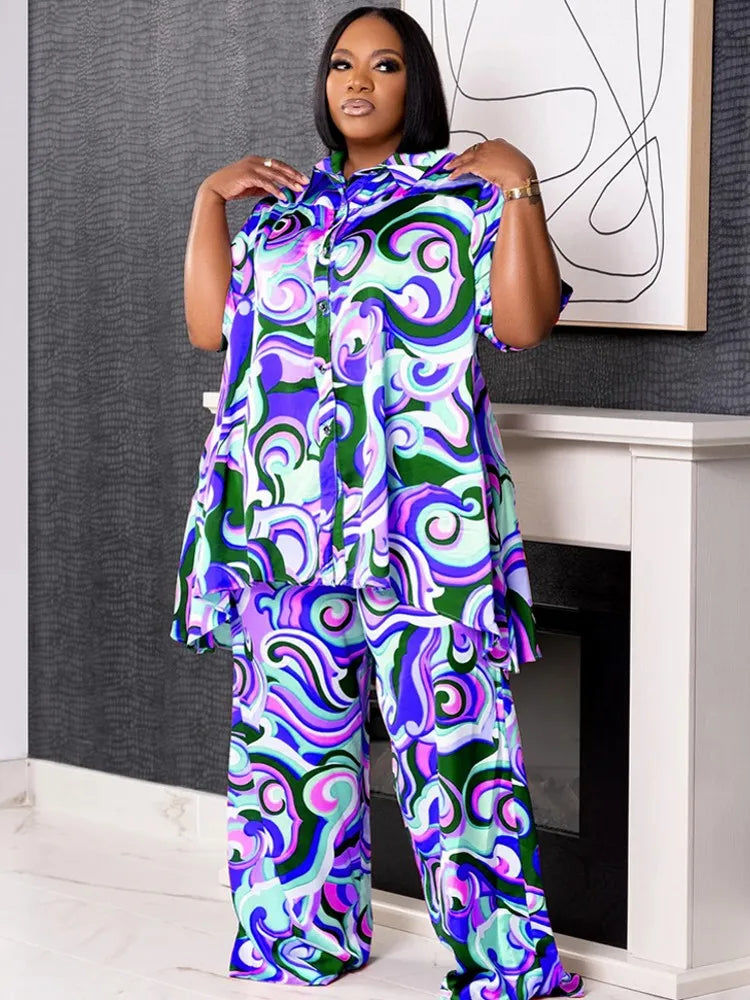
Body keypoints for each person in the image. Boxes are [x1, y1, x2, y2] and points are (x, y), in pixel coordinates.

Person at [171, 6, 584, 999]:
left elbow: (524, 324)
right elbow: (208, 331)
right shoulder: (278, 215)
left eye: (385, 63)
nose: (357, 80)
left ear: (415, 84)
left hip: (423, 521)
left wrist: (520, 180)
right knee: (288, 752)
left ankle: (504, 962)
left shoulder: (464, 197)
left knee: (459, 751)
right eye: (342, 64)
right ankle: (299, 941)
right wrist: (207, 200)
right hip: (285, 522)